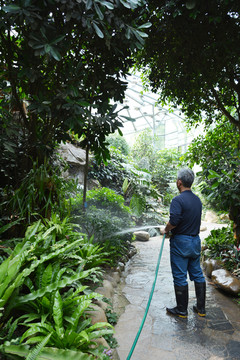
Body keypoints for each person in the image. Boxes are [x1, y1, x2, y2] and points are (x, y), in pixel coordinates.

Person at [163, 168, 206, 318]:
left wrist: (166, 229)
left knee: (180, 276)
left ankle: (182, 310)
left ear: (179, 182)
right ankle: (201, 309)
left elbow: (174, 221)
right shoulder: (197, 200)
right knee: (197, 274)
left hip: (181, 242)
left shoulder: (178, 200)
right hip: (195, 241)